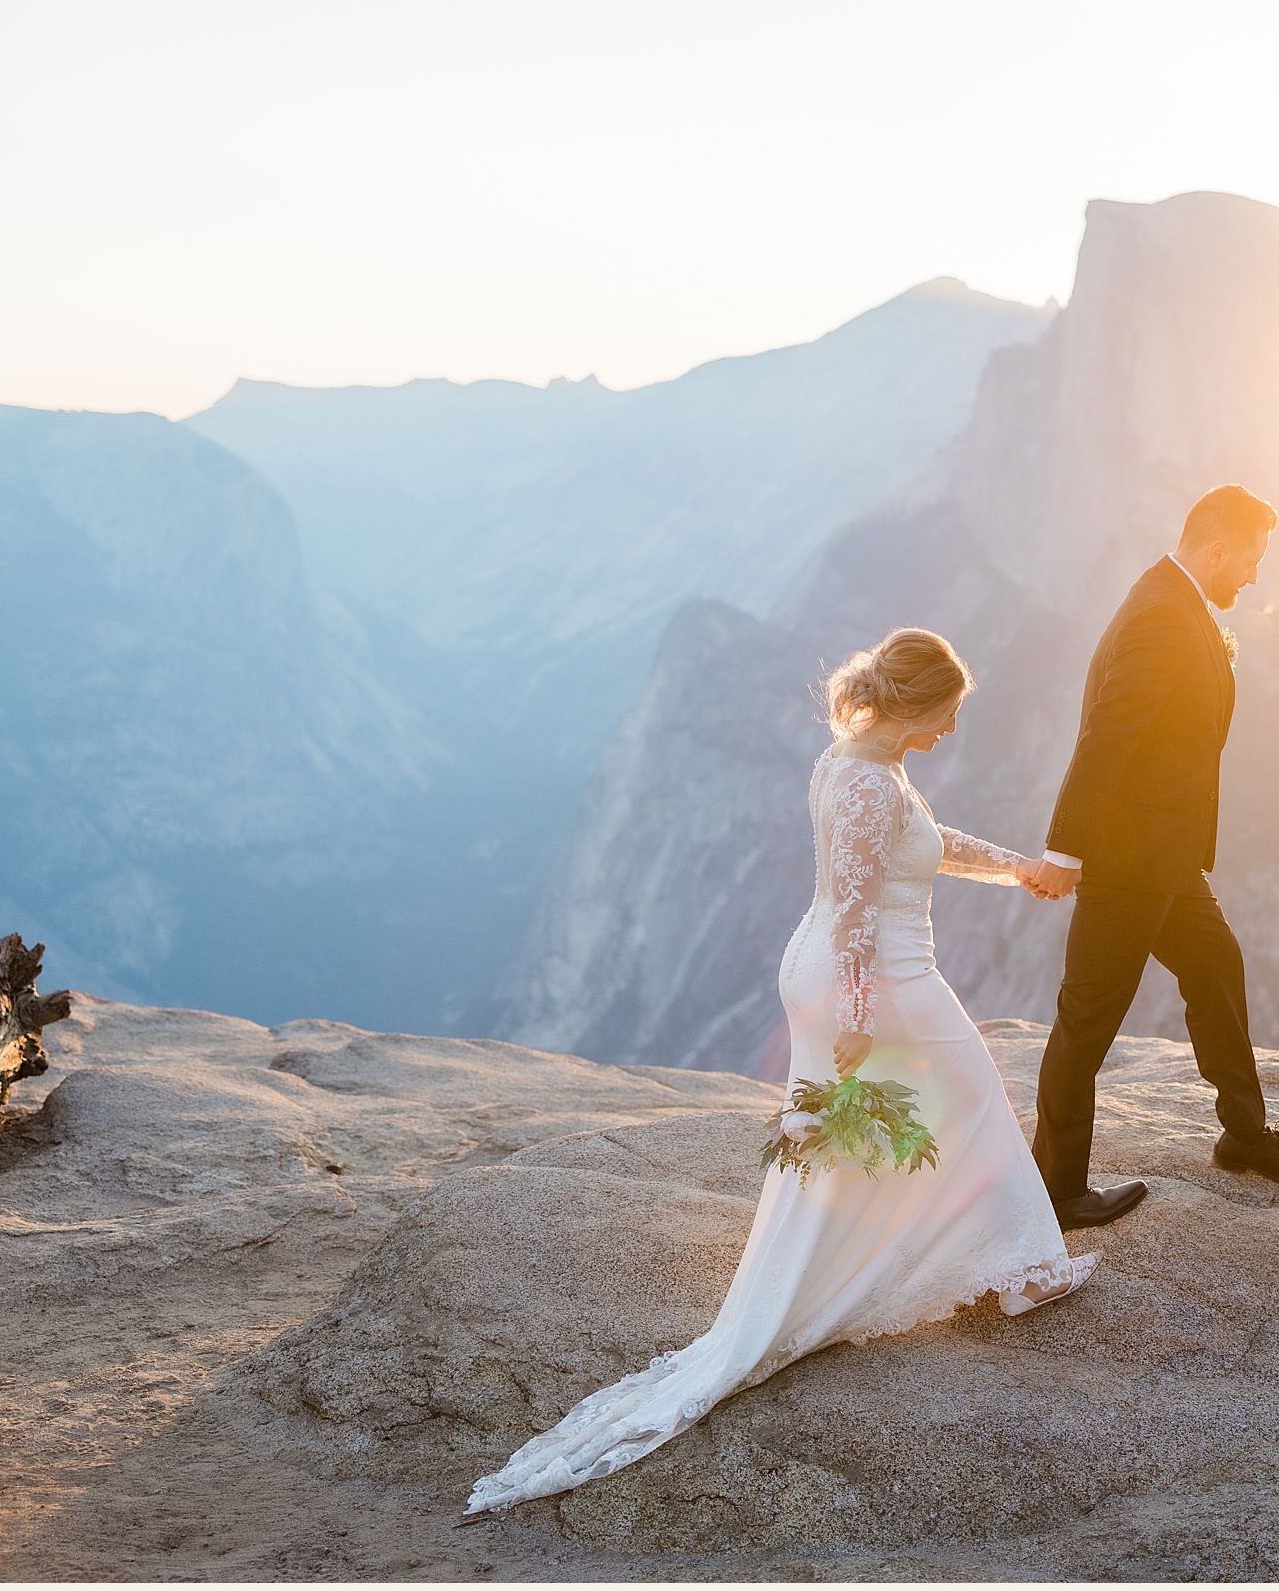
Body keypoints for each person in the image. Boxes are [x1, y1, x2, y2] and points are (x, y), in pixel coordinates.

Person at [466, 629, 1091, 1515]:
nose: (953, 730)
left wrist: (1013, 869)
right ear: (914, 706)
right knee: (976, 1100)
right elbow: (862, 911)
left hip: (837, 968)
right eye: (948, 714)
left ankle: (890, 1267)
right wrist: (859, 1022)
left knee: (868, 1144)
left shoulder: (853, 762)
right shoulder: (870, 782)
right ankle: (1019, 1269)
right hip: (877, 976)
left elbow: (923, 843)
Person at [1023, 484, 1279, 1230]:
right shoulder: (1164, 615)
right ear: (1217, 549)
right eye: (1251, 561)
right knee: (1087, 1019)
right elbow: (1106, 737)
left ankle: (1246, 1137)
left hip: (1165, 856)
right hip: (1130, 858)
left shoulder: (1174, 600)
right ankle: (1056, 1188)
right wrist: (1065, 849)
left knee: (1217, 968)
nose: (1255, 577)